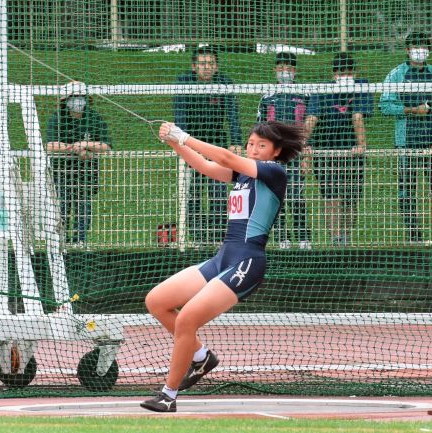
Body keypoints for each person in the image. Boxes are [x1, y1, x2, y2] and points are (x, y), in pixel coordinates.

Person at [140, 121, 304, 412]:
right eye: (251, 143)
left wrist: (185, 135)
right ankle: (201, 357)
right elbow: (205, 166)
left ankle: (168, 395)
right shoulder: (242, 173)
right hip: (223, 257)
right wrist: (176, 144)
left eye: (261, 146)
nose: (253, 149)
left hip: (247, 261)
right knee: (157, 301)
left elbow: (226, 157)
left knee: (187, 319)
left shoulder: (274, 172)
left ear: (276, 152)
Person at [174, 46, 243, 245]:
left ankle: (218, 237)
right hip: (191, 146)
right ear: (194, 66)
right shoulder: (183, 82)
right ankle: (196, 238)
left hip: (217, 146)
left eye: (211, 63)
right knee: (193, 193)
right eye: (203, 64)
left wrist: (236, 142)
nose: (207, 68)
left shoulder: (224, 83)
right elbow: (180, 116)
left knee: (219, 193)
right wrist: (184, 145)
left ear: (216, 66)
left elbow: (232, 115)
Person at [380, 32, 432, 243]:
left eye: (424, 46)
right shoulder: (397, 74)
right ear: (407, 50)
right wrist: (412, 110)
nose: (420, 50)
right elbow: (385, 105)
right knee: (407, 188)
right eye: (415, 46)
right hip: (406, 140)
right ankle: (413, 234)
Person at [304, 52, 373, 246]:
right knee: (331, 196)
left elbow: (357, 117)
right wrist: (301, 148)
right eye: (340, 73)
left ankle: (346, 238)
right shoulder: (322, 90)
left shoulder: (362, 86)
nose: (345, 76)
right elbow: (311, 119)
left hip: (351, 152)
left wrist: (361, 145)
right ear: (334, 75)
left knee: (350, 197)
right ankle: (336, 238)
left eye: (348, 72)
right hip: (326, 151)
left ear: (355, 72)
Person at [45, 81, 112, 245]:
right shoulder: (58, 118)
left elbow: (106, 146)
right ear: (66, 100)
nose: (77, 101)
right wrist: (73, 149)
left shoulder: (94, 118)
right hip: (62, 172)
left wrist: (85, 145)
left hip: (86, 173)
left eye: (81, 97)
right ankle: (62, 241)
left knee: (84, 206)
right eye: (74, 97)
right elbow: (50, 145)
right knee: (62, 206)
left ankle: (80, 240)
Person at [257, 52, 312, 249]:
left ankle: (304, 237)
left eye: (288, 69)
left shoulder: (305, 95)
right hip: (273, 156)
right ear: (275, 71)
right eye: (280, 68)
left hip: (296, 154)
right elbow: (260, 128)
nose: (284, 72)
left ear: (294, 71)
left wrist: (306, 155)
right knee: (276, 196)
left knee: (297, 195)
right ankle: (282, 238)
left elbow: (310, 127)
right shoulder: (267, 96)